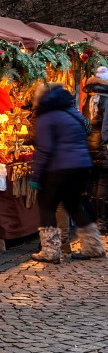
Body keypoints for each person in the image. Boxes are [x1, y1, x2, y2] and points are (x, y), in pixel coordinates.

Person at [29, 83, 103, 262]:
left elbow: (44, 149)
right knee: (75, 205)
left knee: (47, 206)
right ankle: (93, 246)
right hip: (81, 166)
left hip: (58, 169)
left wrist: (36, 175)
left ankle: (50, 251)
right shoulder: (73, 113)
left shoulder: (47, 117)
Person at [83, 67, 108, 232]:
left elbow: (85, 123)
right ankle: (102, 220)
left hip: (88, 144)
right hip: (101, 146)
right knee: (103, 181)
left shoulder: (87, 99)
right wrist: (104, 145)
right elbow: (106, 127)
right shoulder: (106, 100)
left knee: (92, 181)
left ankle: (91, 219)